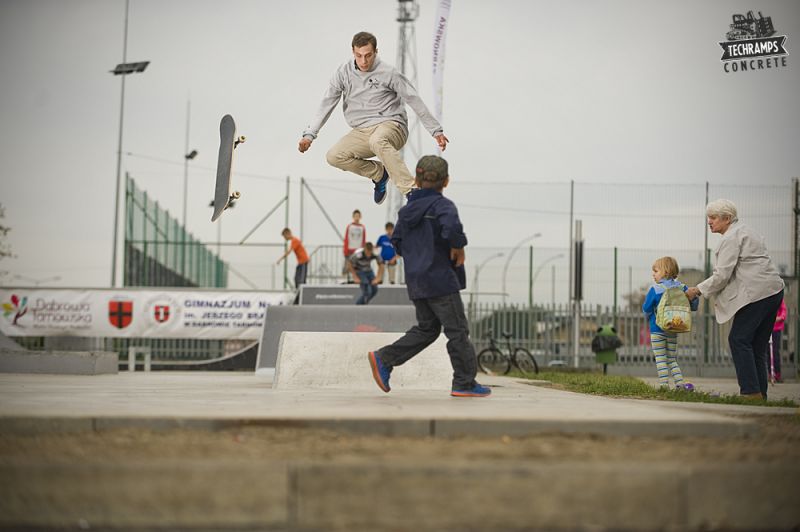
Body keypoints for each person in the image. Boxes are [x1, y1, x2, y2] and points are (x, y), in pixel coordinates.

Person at [367, 155, 490, 398]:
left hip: (417, 282)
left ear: (416, 179)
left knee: (428, 329)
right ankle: (464, 382)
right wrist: (458, 246)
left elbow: (397, 242)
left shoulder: (405, 212)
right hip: (441, 280)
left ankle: (384, 358)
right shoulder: (443, 206)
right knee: (457, 331)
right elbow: (452, 230)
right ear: (446, 181)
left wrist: (416, 258)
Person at [298, 31, 449, 204]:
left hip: (392, 126)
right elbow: (327, 103)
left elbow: (414, 99)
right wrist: (309, 134)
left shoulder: (388, 73)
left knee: (377, 140)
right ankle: (379, 174)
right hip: (362, 131)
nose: (364, 61)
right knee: (334, 156)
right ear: (353, 52)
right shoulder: (342, 73)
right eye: (359, 56)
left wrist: (435, 130)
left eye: (368, 55)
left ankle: (411, 191)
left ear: (376, 52)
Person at [686, 199, 785, 401]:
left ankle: (750, 392)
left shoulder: (730, 238)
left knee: (738, 339)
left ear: (727, 218)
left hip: (757, 293)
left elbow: (722, 275)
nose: (709, 222)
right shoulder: (747, 230)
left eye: (713, 218)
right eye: (709, 217)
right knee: (756, 345)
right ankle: (759, 395)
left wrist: (697, 290)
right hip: (773, 291)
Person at [641, 257, 699, 391]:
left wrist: (649, 315)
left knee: (661, 359)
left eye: (655, 271)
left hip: (657, 330)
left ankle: (664, 387)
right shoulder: (682, 287)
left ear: (665, 271)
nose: (653, 274)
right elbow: (694, 305)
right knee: (672, 359)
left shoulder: (655, 289)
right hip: (673, 329)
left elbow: (646, 309)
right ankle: (680, 385)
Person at [343, 210, 366, 283]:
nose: (357, 218)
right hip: (350, 249)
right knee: (347, 265)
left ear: (360, 217)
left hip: (358, 250)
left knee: (358, 266)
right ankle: (344, 279)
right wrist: (345, 250)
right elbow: (346, 238)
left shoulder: (362, 227)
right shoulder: (350, 226)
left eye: (358, 216)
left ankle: (357, 280)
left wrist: (363, 250)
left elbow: (363, 239)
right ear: (353, 217)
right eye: (355, 216)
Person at [770, 298, 787, 383]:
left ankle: (777, 374)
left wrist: (779, 318)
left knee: (775, 351)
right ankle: (770, 374)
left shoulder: (780, 300)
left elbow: (783, 311)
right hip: (768, 329)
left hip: (776, 329)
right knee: (767, 352)